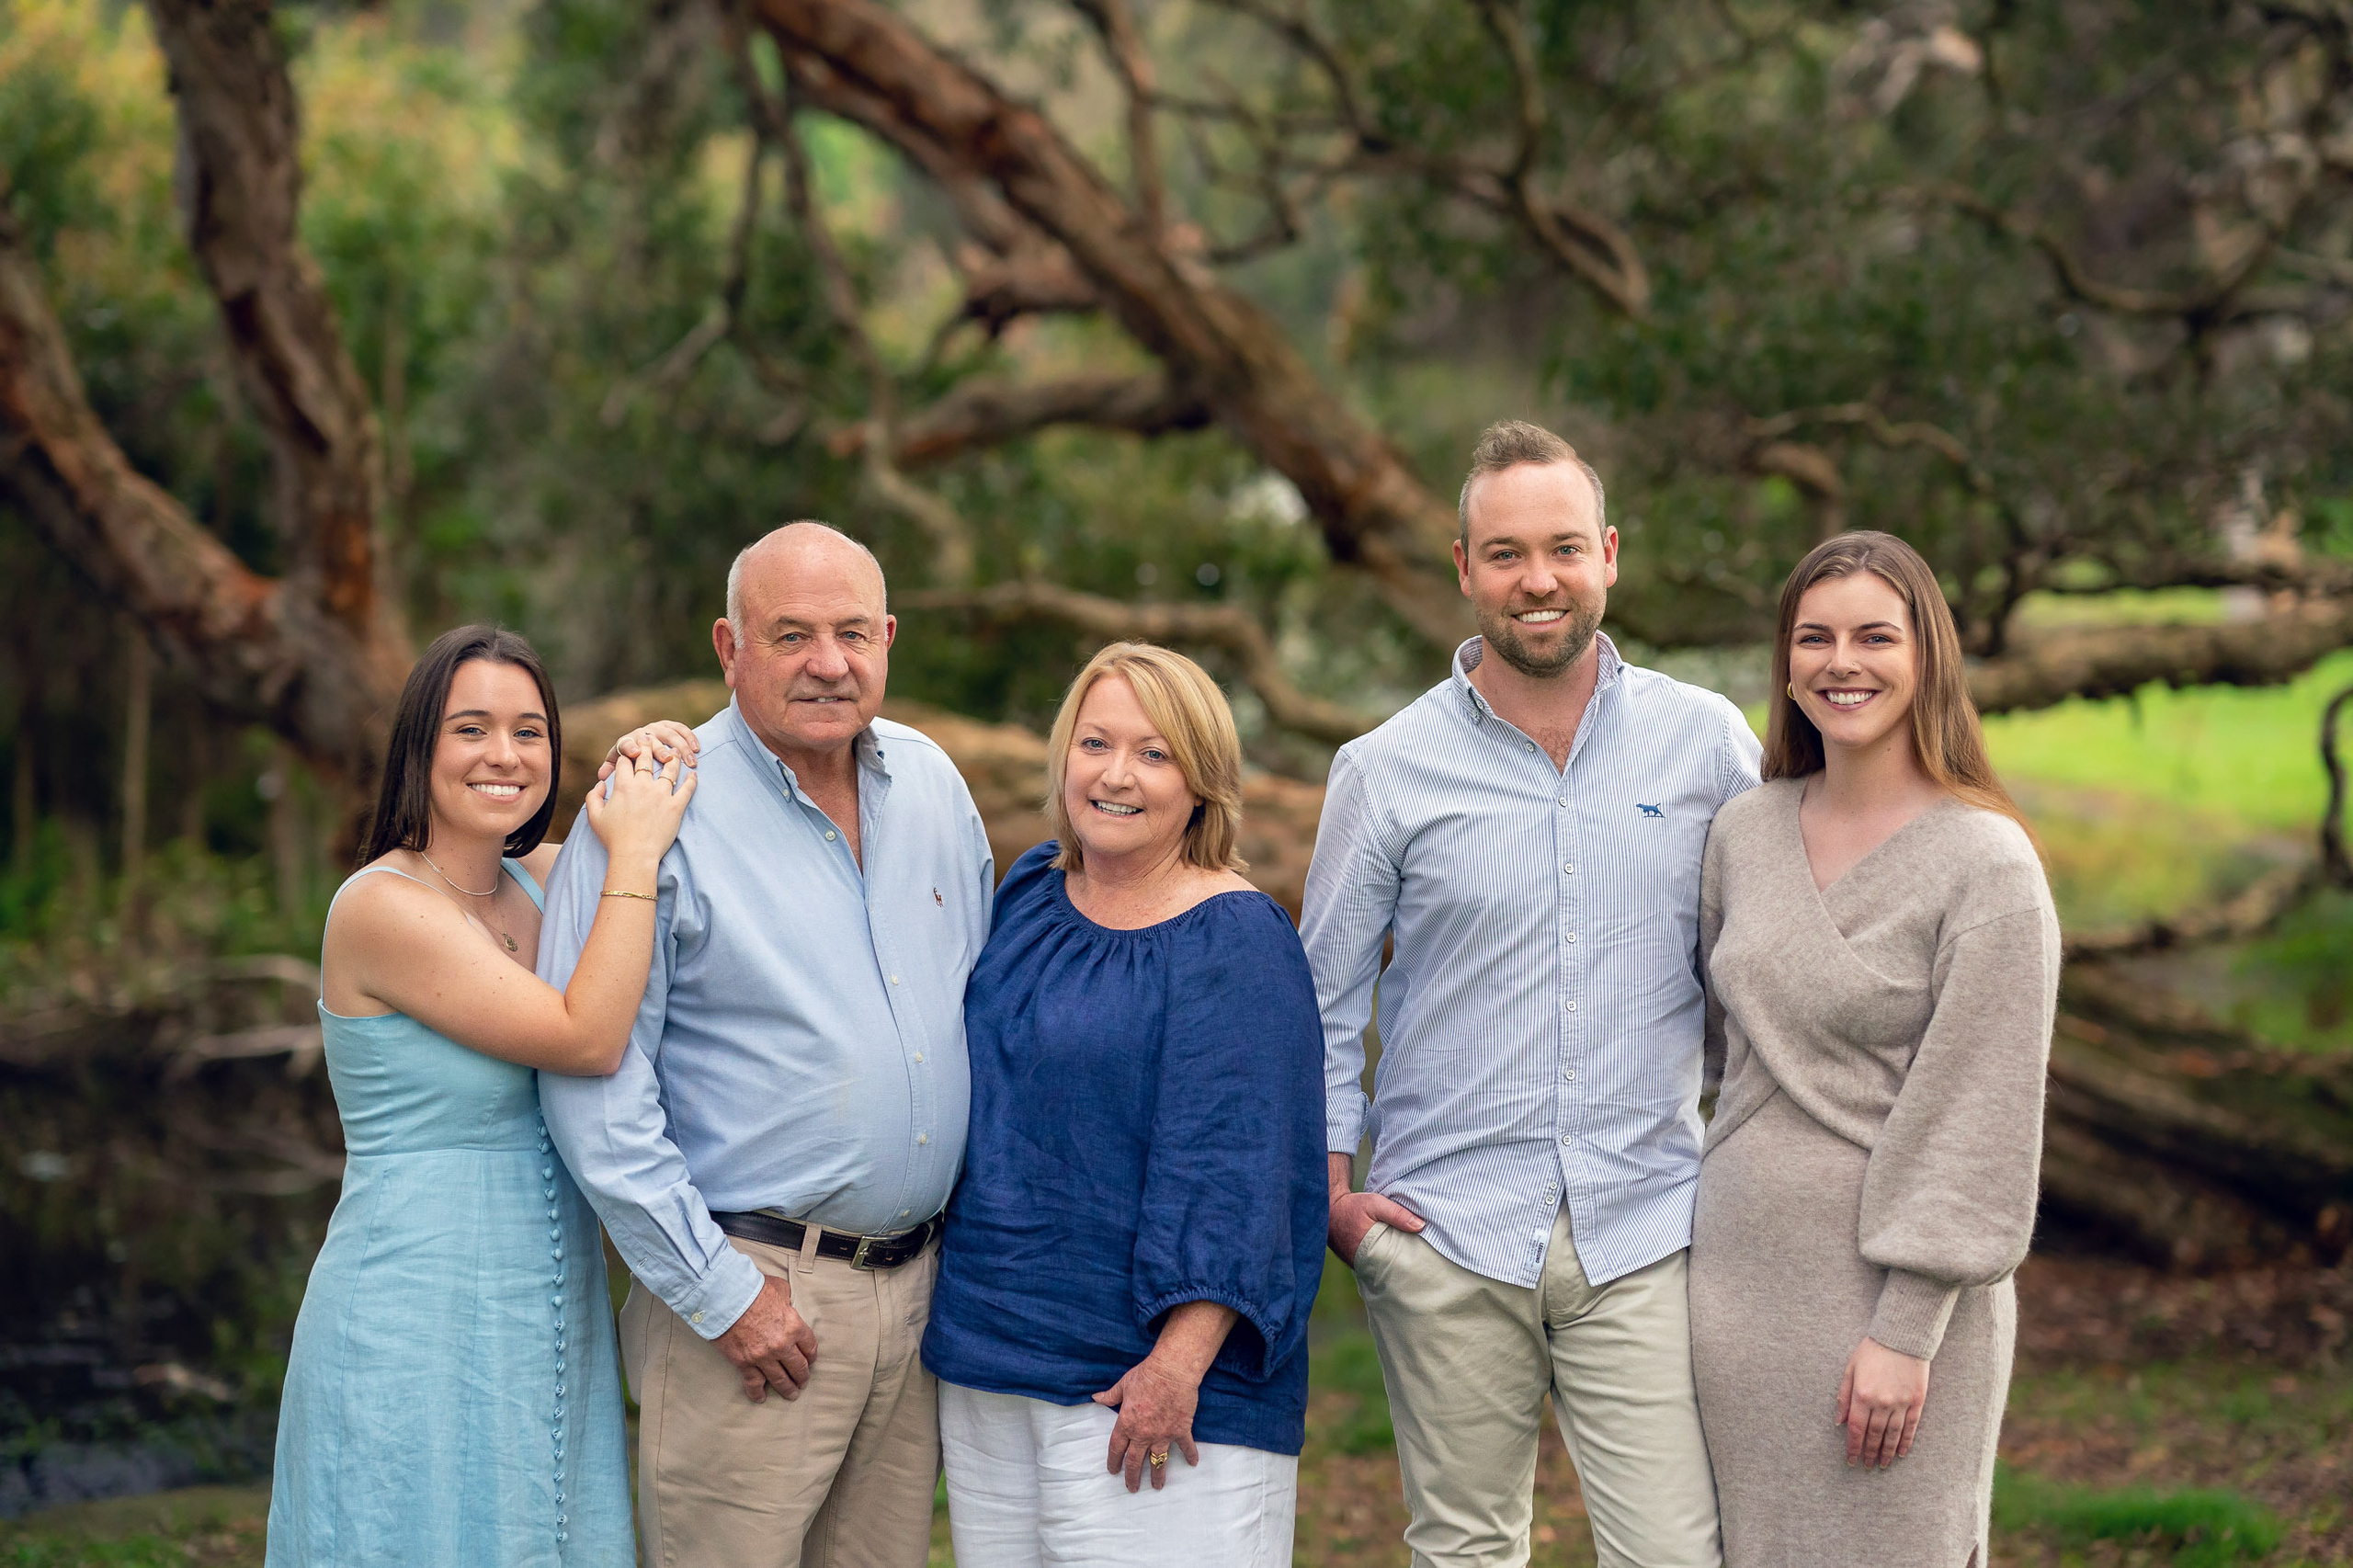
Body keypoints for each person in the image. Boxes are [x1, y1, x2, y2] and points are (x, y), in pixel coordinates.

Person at [1302, 420, 1757, 1568]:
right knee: (1465, 1551)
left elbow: (1759, 968)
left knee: (1674, 1554)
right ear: (1463, 570)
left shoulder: (1705, 744)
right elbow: (1319, 997)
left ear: (1608, 553)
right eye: (1504, 553)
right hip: (1445, 1232)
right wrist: (1334, 1197)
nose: (1536, 579)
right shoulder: (1384, 768)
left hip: (1648, 1224)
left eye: (1562, 547)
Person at [537, 522, 995, 1568]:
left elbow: (980, 1007)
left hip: (920, 1295)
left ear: (888, 637)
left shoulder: (931, 785)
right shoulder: (649, 811)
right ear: (728, 646)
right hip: (748, 1300)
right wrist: (719, 1294)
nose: (828, 662)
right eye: (791, 634)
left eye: (850, 632)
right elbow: (593, 1093)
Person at [267, 624, 695, 1567]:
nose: (504, 754)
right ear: (419, 748)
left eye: (529, 730)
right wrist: (628, 855)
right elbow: (587, 1036)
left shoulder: (544, 880)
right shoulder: (380, 906)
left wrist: (661, 744)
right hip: (412, 1310)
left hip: (546, 1310)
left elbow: (652, 821)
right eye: (472, 728)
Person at [1689, 531, 2059, 1566]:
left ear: (1926, 654)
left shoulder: (1986, 863)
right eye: (1814, 636)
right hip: (1734, 1287)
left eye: (1872, 636)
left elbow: (1981, 1115)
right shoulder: (1743, 832)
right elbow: (1722, 1059)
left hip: (1892, 1301)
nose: (1839, 661)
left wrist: (1906, 1328)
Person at [922, 642, 1325, 1568]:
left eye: (1154, 753)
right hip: (992, 1360)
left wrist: (1175, 1366)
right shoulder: (1028, 890)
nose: (1115, 773)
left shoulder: (1235, 938)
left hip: (1146, 1390)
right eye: (1095, 741)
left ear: (1203, 781)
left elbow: (1244, 1172)